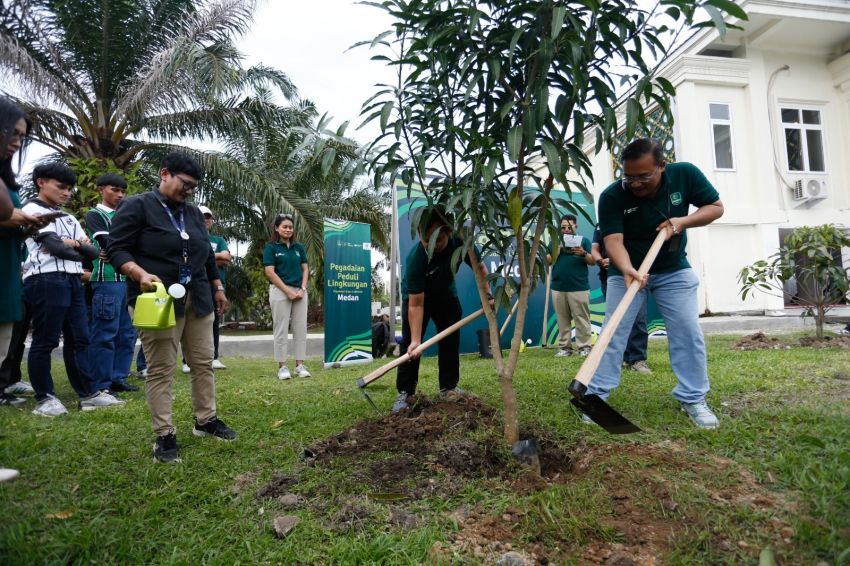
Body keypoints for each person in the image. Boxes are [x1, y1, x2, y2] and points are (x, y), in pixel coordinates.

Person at [585, 138, 724, 430]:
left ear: (662, 165)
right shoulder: (612, 196)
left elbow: (715, 207)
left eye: (643, 176)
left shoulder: (685, 174)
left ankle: (693, 398)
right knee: (612, 332)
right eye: (629, 177)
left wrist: (681, 222)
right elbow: (613, 241)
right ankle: (595, 396)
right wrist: (627, 269)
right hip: (626, 271)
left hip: (673, 269)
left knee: (686, 331)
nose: (635, 184)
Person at [108, 152, 236, 463]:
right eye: (185, 184)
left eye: (194, 187)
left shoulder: (192, 213)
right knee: (161, 368)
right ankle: (164, 434)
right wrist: (138, 273)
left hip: (199, 297)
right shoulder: (137, 205)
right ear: (164, 174)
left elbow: (206, 254)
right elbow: (116, 248)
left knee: (203, 362)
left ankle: (206, 420)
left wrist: (217, 287)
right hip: (158, 299)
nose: (189, 191)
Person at [22, 163, 124, 416]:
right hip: (45, 279)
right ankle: (45, 398)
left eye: (69, 188)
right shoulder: (32, 210)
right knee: (46, 340)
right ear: (41, 182)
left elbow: (92, 252)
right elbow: (58, 247)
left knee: (80, 338)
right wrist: (74, 245)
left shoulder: (67, 217)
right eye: (61, 187)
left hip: (73, 279)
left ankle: (89, 394)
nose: (66, 193)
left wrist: (71, 244)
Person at [393, 208, 489, 413]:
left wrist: (488, 296)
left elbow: (479, 268)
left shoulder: (461, 242)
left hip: (446, 294)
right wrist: (416, 341)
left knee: (450, 340)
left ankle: (449, 387)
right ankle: (406, 392)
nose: (433, 246)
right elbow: (416, 305)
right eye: (427, 240)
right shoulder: (416, 259)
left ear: (449, 232)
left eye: (439, 240)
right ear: (420, 235)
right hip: (417, 299)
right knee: (410, 345)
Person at [0, 98, 43, 407]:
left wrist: (25, 225)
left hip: (7, 273)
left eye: (21, 136)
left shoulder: (7, 179)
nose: (17, 142)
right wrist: (15, 216)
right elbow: (5, 210)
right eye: (11, 133)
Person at [85, 173, 139, 394]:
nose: (120, 195)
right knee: (105, 332)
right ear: (100, 189)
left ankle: (118, 377)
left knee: (128, 333)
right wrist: (126, 250)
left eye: (122, 191)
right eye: (114, 190)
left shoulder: (126, 216)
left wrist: (121, 251)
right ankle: (101, 383)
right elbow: (106, 241)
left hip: (129, 281)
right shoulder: (95, 215)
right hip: (107, 280)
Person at [591, 224, 652, 374]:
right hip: (610, 277)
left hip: (637, 275)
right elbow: (595, 249)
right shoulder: (602, 225)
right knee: (614, 320)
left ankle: (637, 359)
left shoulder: (635, 220)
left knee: (638, 318)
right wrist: (601, 261)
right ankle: (617, 359)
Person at [182, 205, 230, 373]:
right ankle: (186, 360)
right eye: (203, 216)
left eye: (208, 217)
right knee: (188, 320)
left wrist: (206, 256)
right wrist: (213, 257)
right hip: (193, 284)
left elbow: (226, 258)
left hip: (215, 286)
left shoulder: (218, 240)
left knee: (213, 321)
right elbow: (188, 258)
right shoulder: (186, 236)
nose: (206, 220)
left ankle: (214, 357)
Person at [263, 213, 310, 380]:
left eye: (290, 227)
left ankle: (299, 365)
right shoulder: (271, 248)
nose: (288, 230)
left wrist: (302, 288)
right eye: (285, 227)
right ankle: (282, 367)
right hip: (279, 291)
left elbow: (305, 269)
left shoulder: (298, 247)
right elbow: (270, 272)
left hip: (300, 291)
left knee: (300, 328)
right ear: (277, 228)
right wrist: (287, 291)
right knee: (281, 329)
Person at [548, 214, 594, 358]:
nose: (566, 230)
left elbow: (593, 261)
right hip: (558, 287)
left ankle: (584, 347)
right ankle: (565, 348)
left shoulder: (584, 241)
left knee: (582, 318)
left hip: (579, 287)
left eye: (569, 227)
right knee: (562, 319)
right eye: (563, 227)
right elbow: (547, 261)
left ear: (576, 226)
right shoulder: (554, 242)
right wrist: (557, 250)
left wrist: (583, 253)